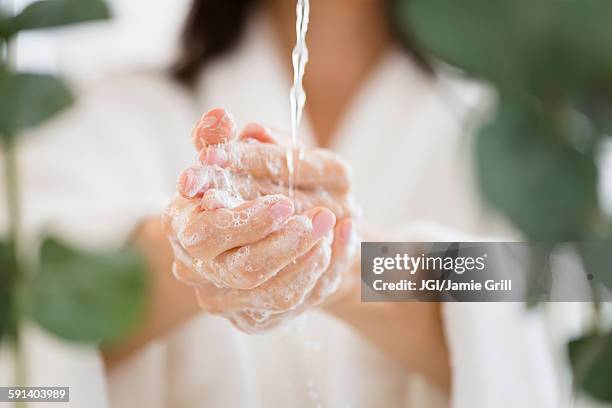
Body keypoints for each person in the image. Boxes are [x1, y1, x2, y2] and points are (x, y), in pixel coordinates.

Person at [5, 0, 564, 407]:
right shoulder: (107, 110)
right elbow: (28, 312)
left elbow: (552, 293)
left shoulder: (524, 136)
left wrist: (348, 263)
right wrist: (200, 244)